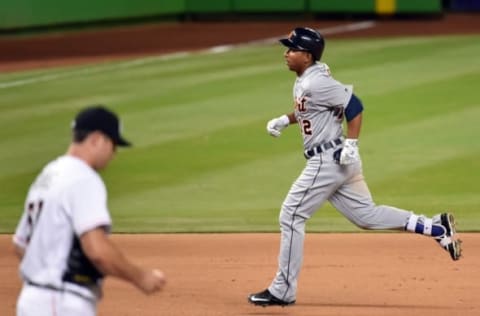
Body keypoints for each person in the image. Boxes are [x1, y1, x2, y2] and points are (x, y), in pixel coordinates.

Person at [247, 27, 462, 307]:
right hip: (337, 161)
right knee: (367, 216)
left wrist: (352, 143)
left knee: (291, 215)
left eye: (292, 49)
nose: (286, 53)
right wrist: (285, 120)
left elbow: (355, 106)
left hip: (328, 161)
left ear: (308, 56)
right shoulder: (307, 79)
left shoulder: (316, 83)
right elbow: (310, 110)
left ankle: (282, 290)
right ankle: (436, 228)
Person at [13, 106, 166, 316]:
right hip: (61, 302)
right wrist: (141, 278)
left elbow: (21, 244)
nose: (114, 154)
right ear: (96, 139)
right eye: (113, 145)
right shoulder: (82, 178)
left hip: (32, 300)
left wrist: (43, 273)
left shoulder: (48, 175)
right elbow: (97, 250)